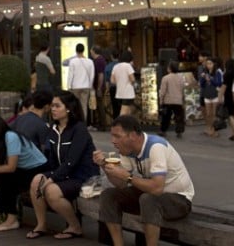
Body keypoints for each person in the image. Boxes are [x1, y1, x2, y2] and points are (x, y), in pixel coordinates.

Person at [94, 115, 194, 246]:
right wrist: (104, 166)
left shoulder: (156, 146)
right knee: (109, 195)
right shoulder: (127, 151)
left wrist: (127, 176)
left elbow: (157, 189)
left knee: (148, 199)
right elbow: (121, 184)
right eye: (112, 136)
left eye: (117, 136)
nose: (113, 141)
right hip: (152, 196)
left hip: (179, 200)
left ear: (133, 135)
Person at [28, 92, 97, 240]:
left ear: (68, 109)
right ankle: (41, 225)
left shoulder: (79, 129)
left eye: (57, 106)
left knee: (51, 191)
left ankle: (75, 227)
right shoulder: (53, 129)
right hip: (62, 173)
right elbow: (50, 159)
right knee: (36, 181)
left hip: (81, 176)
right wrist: (45, 175)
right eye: (52, 106)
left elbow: (72, 161)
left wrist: (51, 179)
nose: (53, 109)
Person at [0, 114, 47, 231]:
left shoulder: (11, 137)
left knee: (7, 180)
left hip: (38, 168)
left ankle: (12, 220)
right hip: (23, 168)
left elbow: (11, 167)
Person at [64, 43, 95, 118]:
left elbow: (70, 75)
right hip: (86, 86)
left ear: (76, 51)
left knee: (74, 105)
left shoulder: (73, 62)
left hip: (75, 86)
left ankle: (75, 121)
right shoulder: (90, 62)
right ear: (84, 50)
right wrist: (90, 86)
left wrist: (69, 86)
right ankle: (83, 123)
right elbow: (92, 75)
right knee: (84, 105)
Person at [158, 61, 186, 139]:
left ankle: (163, 130)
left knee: (166, 117)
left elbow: (163, 91)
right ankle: (179, 131)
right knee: (179, 117)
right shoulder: (181, 78)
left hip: (168, 101)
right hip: (178, 100)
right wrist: (183, 100)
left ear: (169, 69)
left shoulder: (165, 78)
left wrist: (161, 101)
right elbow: (182, 90)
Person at [198, 58, 222, 138]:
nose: (209, 65)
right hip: (207, 94)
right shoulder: (205, 72)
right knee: (208, 114)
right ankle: (209, 128)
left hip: (215, 94)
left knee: (214, 113)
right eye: (207, 64)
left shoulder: (217, 72)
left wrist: (210, 79)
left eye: (210, 63)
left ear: (214, 64)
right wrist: (203, 78)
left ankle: (214, 130)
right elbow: (201, 84)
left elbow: (218, 83)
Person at [111, 50, 136, 117]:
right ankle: (120, 126)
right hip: (128, 93)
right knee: (124, 113)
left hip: (119, 93)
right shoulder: (128, 66)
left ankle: (128, 126)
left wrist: (120, 81)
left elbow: (112, 81)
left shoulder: (115, 67)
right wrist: (130, 83)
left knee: (127, 112)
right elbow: (133, 79)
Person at [91, 45, 108, 129]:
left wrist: (98, 88)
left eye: (91, 50)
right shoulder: (99, 60)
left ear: (94, 51)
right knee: (98, 105)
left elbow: (100, 75)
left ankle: (103, 124)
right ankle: (101, 123)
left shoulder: (99, 60)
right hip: (98, 86)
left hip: (99, 86)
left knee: (100, 105)